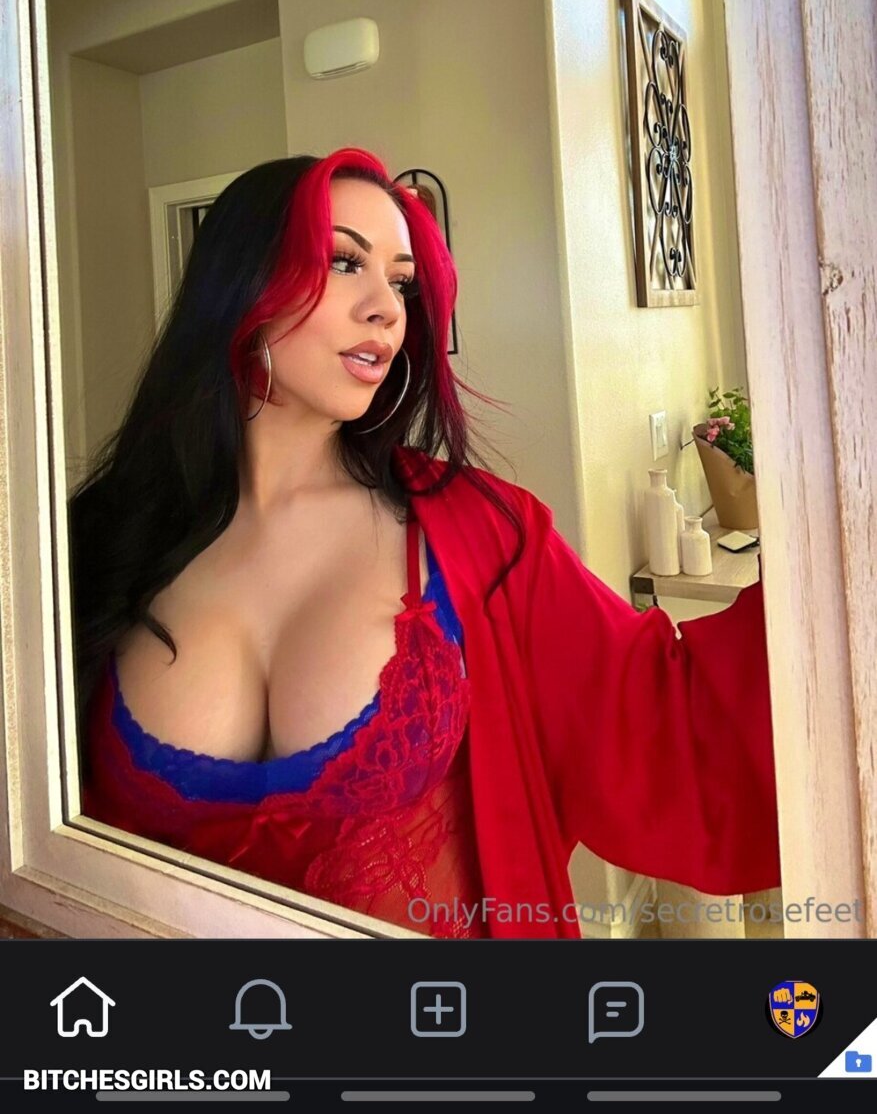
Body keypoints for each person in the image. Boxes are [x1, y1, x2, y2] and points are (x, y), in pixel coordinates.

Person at [72, 149, 780, 940]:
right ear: (239, 282)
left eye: (402, 282)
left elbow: (673, 734)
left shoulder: (484, 534)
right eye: (344, 262)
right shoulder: (88, 545)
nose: (386, 308)